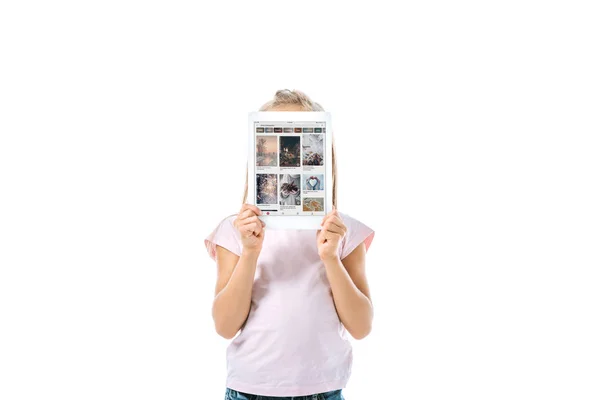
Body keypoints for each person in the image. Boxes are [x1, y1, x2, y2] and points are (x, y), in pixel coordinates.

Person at [204, 89, 375, 400]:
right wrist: (250, 253)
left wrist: (331, 258)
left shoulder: (344, 231)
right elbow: (225, 326)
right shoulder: (235, 231)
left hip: (322, 390)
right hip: (250, 389)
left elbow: (361, 326)